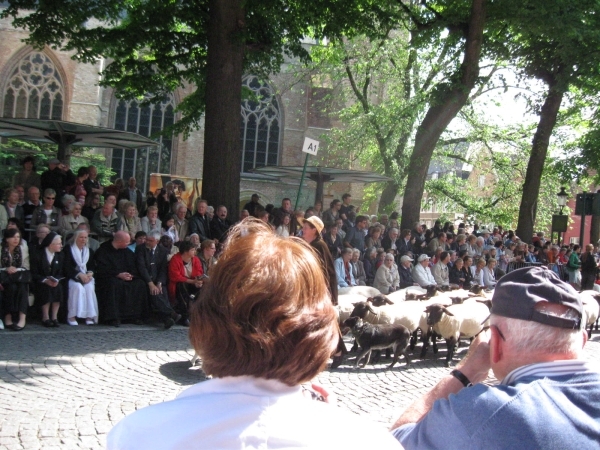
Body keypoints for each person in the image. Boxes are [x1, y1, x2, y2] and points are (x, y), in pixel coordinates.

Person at [107, 220, 400, 450]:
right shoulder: (367, 442)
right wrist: (328, 421)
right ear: (316, 331)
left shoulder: (136, 434)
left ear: (207, 321)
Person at [391, 266, 600, 448]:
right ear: (583, 340)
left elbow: (398, 441)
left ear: (495, 344)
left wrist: (466, 372)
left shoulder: (483, 412)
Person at [94, 231, 148, 326]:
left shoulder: (126, 251)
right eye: (127, 242)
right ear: (119, 241)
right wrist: (118, 274)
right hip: (109, 277)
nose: (129, 244)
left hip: (126, 277)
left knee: (140, 284)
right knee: (113, 284)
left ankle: (135, 316)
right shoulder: (103, 250)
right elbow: (101, 268)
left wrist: (130, 275)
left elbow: (133, 266)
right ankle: (113, 318)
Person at [136, 230, 181, 329]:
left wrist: (159, 283)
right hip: (145, 279)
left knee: (162, 291)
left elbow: (163, 269)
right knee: (154, 291)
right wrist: (150, 283)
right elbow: (141, 267)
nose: (147, 242)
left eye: (150, 241)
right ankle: (171, 314)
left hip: (157, 279)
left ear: (157, 241)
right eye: (147, 239)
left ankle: (167, 319)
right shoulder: (140, 249)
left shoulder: (162, 251)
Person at [63, 229, 98, 326]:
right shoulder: (68, 249)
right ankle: (72, 316)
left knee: (89, 287)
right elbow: (66, 266)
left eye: (85, 237)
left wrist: (90, 273)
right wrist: (78, 275)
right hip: (72, 276)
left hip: (86, 277)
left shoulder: (89, 251)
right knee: (77, 287)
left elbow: (92, 266)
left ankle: (89, 316)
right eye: (81, 237)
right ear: (75, 238)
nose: (83, 239)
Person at [31, 231, 64, 327]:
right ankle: (45, 317)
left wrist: (56, 280)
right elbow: (34, 272)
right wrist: (45, 280)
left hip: (54, 282)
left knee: (58, 288)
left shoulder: (60, 255)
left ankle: (54, 317)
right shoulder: (38, 255)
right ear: (50, 244)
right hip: (39, 281)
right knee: (46, 289)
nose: (61, 246)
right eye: (58, 244)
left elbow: (61, 272)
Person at [168, 240, 204, 327]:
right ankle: (185, 316)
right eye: (192, 250)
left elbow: (199, 272)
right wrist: (192, 281)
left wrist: (199, 281)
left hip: (192, 282)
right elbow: (175, 276)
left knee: (201, 289)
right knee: (182, 286)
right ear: (185, 251)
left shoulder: (195, 260)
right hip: (178, 284)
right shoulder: (175, 259)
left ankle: (196, 315)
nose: (194, 252)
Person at [0, 228, 30, 331]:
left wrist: (16, 269)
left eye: (18, 237)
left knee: (22, 287)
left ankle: (22, 318)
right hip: (4, 277)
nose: (16, 239)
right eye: (13, 237)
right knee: (11, 288)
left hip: (19, 276)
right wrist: (6, 268)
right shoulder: (1, 249)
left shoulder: (23, 248)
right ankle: (8, 317)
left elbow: (26, 266)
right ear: (7, 239)